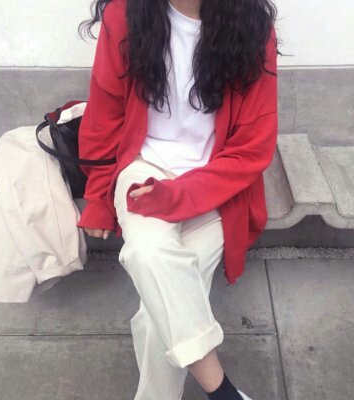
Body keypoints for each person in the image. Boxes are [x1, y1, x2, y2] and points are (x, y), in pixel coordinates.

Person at [77, 0, 279, 399]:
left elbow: (252, 148)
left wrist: (178, 195)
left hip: (216, 184)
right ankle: (223, 392)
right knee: (151, 256)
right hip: (143, 172)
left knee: (160, 307)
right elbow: (104, 115)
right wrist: (99, 196)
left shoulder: (253, 29)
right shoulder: (125, 16)